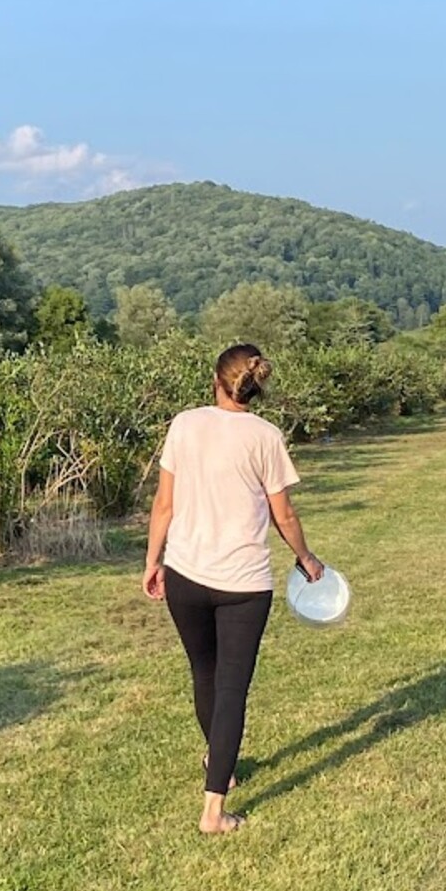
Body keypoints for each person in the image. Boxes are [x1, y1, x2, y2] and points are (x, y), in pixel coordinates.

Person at [142, 343, 323, 834]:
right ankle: (213, 811)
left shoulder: (184, 423)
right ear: (256, 386)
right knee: (231, 689)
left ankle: (217, 760)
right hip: (244, 584)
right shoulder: (266, 436)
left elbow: (164, 504)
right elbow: (283, 513)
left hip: (185, 573)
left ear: (215, 380)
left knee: (205, 672)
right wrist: (306, 558)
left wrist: (152, 560)